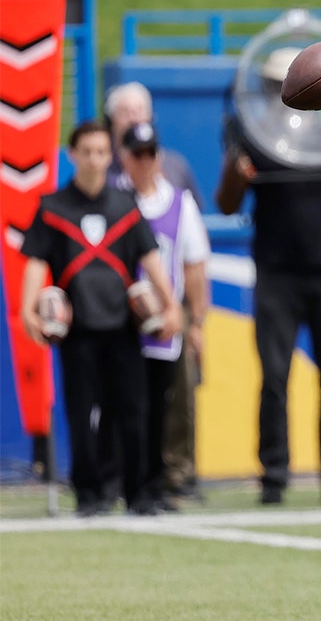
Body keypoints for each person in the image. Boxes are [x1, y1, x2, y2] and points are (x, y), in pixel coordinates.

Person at [215, 47, 321, 505]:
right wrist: (237, 170)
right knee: (274, 379)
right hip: (276, 274)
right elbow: (227, 203)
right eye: (272, 86)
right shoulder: (254, 136)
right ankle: (274, 475)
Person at [20, 120, 182, 516]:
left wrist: (171, 305)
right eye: (86, 152)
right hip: (77, 331)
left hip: (123, 329)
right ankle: (89, 494)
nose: (94, 159)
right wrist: (28, 312)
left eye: (101, 152)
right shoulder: (52, 208)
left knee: (133, 412)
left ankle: (138, 493)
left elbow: (151, 260)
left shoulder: (126, 207)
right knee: (81, 415)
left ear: (110, 157)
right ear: (72, 155)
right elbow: (35, 264)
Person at [116, 121, 211, 510]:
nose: (144, 161)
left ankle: (166, 479)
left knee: (168, 402)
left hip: (166, 320)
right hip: (120, 321)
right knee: (125, 403)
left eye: (150, 153)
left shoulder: (178, 202)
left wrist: (197, 322)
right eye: (137, 154)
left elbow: (194, 265)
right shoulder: (113, 200)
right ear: (124, 158)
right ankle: (123, 480)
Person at [104, 81, 204, 209]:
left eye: (139, 111)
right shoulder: (102, 169)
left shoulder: (175, 167)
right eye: (125, 112)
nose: (134, 119)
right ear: (111, 121)